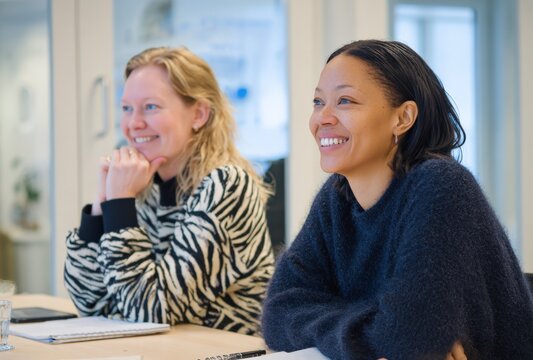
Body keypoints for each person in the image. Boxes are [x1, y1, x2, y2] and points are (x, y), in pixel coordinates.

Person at [261, 39, 533, 359]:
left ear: (403, 118)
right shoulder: (336, 197)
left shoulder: (441, 187)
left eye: (345, 100)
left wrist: (397, 334)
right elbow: (278, 315)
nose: (323, 118)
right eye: (318, 102)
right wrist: (381, 327)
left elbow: (409, 340)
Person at [64, 47, 275, 336]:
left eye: (150, 107)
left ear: (199, 114)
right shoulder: (142, 183)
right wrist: (103, 207)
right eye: (126, 108)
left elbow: (153, 311)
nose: (133, 123)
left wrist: (121, 205)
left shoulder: (227, 184)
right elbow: (90, 302)